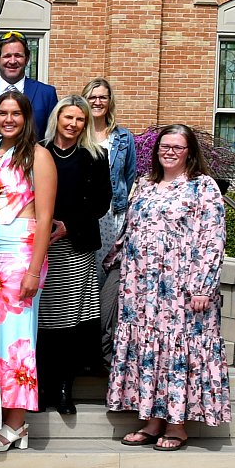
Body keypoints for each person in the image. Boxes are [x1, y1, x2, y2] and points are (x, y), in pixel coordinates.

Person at [108, 124, 231, 451]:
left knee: (178, 350)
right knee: (149, 351)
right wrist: (112, 261)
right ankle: (152, 420)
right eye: (165, 146)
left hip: (181, 286)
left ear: (190, 152)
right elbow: (130, 229)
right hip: (140, 287)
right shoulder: (144, 184)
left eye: (177, 147)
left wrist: (203, 285)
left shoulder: (202, 187)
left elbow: (213, 238)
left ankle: (177, 425)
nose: (170, 152)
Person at [0, 91, 56, 450]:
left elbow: (45, 217)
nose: (8, 119)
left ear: (27, 118)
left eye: (16, 113)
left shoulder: (39, 156)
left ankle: (16, 423)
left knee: (17, 338)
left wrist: (34, 270)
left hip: (21, 253)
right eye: (3, 113)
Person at [38, 96, 111, 415]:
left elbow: (102, 201)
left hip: (75, 245)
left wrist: (69, 226)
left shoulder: (95, 156)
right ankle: (42, 387)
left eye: (80, 119)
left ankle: (64, 388)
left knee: (70, 320)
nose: (73, 124)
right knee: (43, 320)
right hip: (41, 245)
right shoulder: (38, 151)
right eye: (68, 117)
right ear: (57, 118)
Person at [84, 77, 138, 366]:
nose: (97, 102)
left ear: (109, 101)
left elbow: (129, 177)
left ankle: (103, 345)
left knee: (107, 278)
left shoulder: (123, 138)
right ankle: (86, 346)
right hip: (85, 214)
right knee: (86, 277)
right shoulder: (77, 132)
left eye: (102, 97)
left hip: (112, 215)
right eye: (92, 96)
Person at [0, 33, 58, 135]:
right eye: (7, 56)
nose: (12, 61)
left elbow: (52, 136)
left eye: (18, 56)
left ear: (27, 60)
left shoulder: (46, 94)